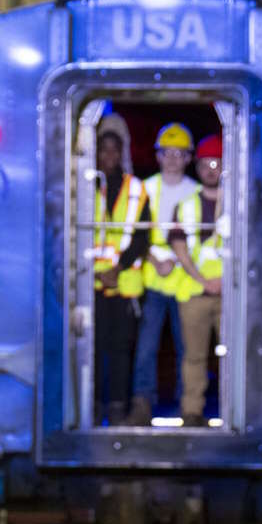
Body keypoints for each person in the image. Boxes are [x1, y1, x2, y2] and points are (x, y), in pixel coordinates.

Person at [127, 123, 200, 426]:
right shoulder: (145, 188)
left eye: (178, 153)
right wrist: (155, 257)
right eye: (166, 153)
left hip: (185, 281)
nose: (172, 159)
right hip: (153, 280)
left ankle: (188, 406)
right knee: (146, 346)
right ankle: (142, 404)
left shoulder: (196, 192)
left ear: (188, 158)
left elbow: (199, 237)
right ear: (157, 156)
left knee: (187, 348)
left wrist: (174, 258)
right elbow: (134, 230)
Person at [89, 126, 151, 425]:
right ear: (96, 152)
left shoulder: (137, 188)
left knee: (121, 350)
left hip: (125, 284)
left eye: (115, 149)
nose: (110, 155)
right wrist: (97, 274)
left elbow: (142, 236)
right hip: (90, 284)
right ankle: (92, 404)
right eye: (104, 149)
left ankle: (117, 406)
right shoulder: (84, 186)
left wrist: (118, 268)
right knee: (91, 347)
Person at [170, 134, 227, 427]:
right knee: (193, 358)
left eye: (216, 163)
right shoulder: (186, 205)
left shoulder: (238, 204)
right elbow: (179, 247)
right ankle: (192, 413)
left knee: (234, 357)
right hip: (195, 294)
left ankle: (234, 413)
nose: (210, 169)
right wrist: (205, 281)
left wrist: (223, 281)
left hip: (232, 295)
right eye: (205, 163)